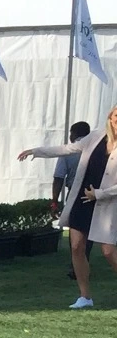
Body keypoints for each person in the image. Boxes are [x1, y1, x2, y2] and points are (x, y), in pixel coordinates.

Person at [19, 106, 117, 308]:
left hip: (106, 205)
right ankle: (85, 297)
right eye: (116, 116)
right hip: (82, 200)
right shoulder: (96, 137)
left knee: (108, 252)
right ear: (110, 117)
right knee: (76, 247)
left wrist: (99, 194)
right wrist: (37, 151)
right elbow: (67, 149)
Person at [52, 121, 94, 278]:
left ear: (74, 134)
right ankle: (84, 260)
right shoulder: (95, 149)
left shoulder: (68, 152)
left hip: (75, 194)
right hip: (94, 193)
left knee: (75, 231)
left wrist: (54, 201)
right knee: (89, 230)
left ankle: (76, 264)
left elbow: (58, 178)